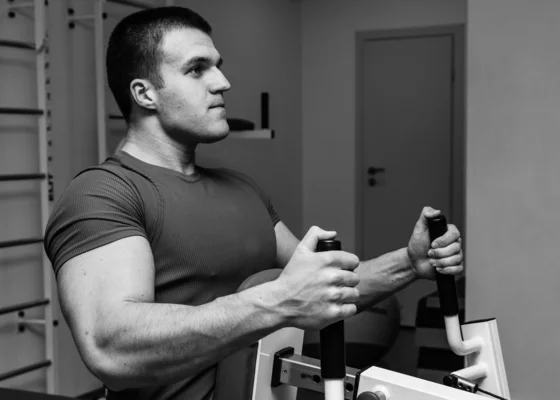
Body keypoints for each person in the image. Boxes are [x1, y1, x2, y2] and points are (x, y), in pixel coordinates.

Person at [44, 6, 464, 400]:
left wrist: (410, 264)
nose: (222, 82)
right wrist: (279, 301)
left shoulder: (240, 188)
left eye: (218, 66)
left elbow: (318, 288)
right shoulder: (103, 194)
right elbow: (110, 347)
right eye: (196, 69)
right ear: (145, 93)